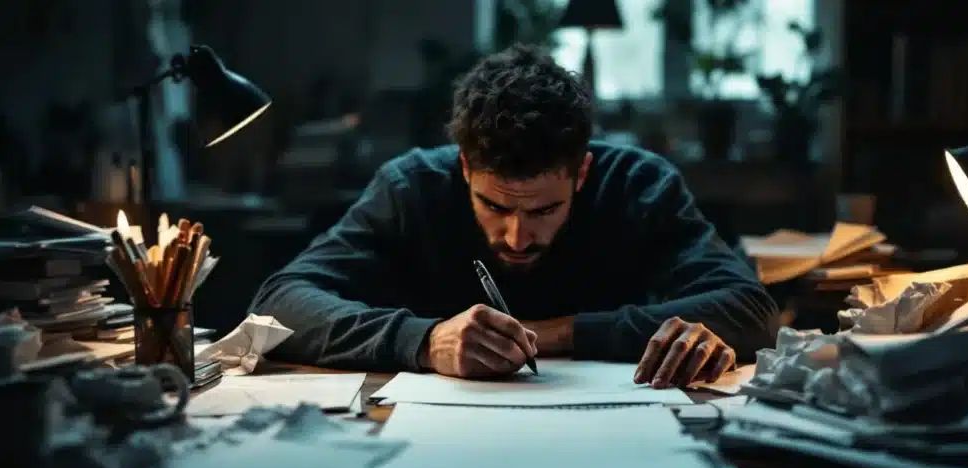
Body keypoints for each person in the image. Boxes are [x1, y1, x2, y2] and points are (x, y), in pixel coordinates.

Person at [249, 45, 778, 389]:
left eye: (546, 209)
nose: (518, 236)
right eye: (495, 206)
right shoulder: (410, 187)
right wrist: (425, 340)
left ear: (582, 173)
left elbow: (750, 308)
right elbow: (280, 303)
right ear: (464, 168)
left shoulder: (638, 185)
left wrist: (560, 334)